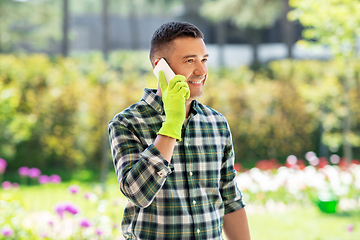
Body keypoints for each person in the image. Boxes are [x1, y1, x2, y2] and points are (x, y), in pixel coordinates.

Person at [108, 21, 251, 240]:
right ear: (160, 66)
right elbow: (137, 194)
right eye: (189, 61)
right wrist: (172, 123)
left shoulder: (217, 123)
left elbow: (230, 199)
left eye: (204, 60)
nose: (202, 71)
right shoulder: (127, 123)